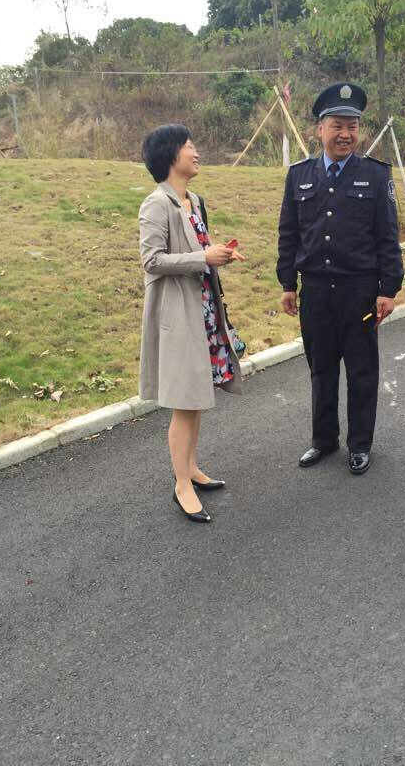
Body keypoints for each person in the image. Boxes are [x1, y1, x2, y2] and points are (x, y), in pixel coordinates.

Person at [277, 83, 404, 475]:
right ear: (320, 129)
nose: (346, 134)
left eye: (352, 126)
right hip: (315, 291)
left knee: (362, 371)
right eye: (337, 126)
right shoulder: (299, 176)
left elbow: (388, 236)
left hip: (359, 292)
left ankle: (360, 444)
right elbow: (289, 233)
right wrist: (287, 283)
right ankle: (324, 440)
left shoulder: (375, 175)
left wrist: (388, 289)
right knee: (321, 368)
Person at [138, 124, 245, 524]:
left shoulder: (194, 200)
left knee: (196, 396)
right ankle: (181, 484)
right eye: (189, 146)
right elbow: (152, 260)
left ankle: (192, 468)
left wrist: (219, 254)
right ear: (171, 155)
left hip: (204, 309)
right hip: (178, 314)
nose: (196, 152)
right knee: (184, 402)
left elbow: (200, 249)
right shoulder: (156, 204)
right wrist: (203, 258)